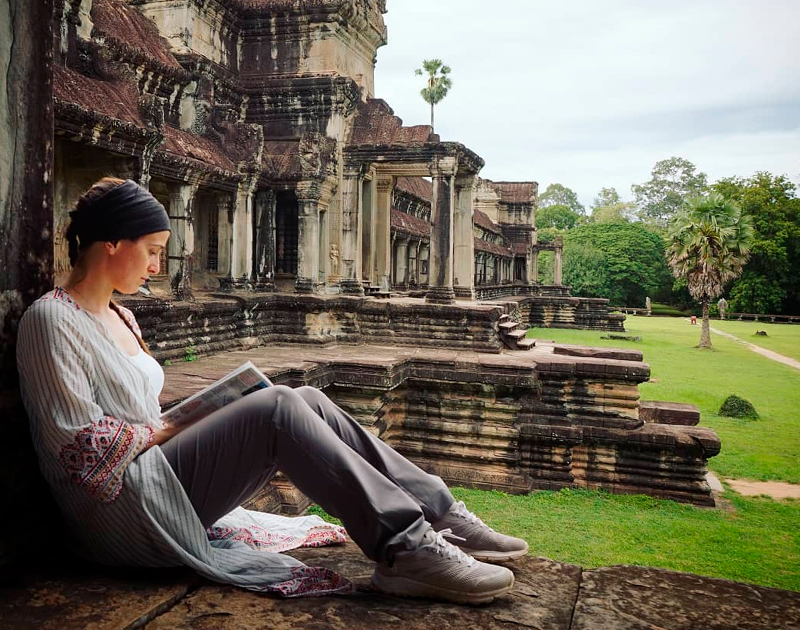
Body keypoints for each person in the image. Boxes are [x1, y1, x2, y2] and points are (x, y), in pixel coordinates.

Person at [16, 178, 528, 605]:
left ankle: (440, 512)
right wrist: (176, 423)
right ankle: (404, 549)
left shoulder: (123, 315)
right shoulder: (51, 319)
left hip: (157, 471)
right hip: (120, 511)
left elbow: (139, 415)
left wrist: (198, 412)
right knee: (277, 408)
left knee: (305, 397)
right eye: (151, 252)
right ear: (112, 243)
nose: (156, 267)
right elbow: (80, 451)